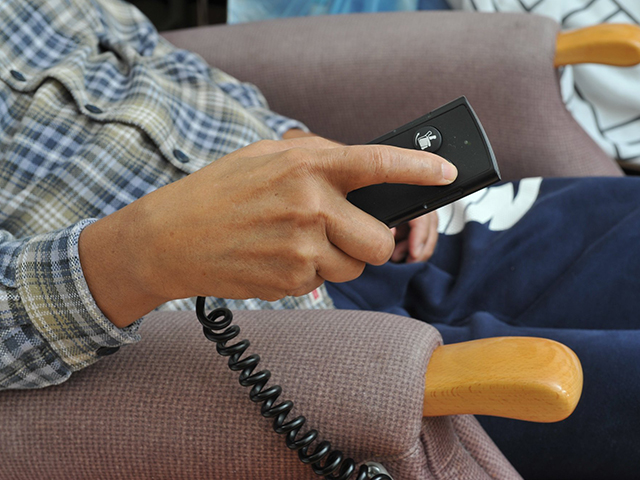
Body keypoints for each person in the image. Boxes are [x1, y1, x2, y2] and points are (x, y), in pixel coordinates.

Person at [1, 1, 640, 479]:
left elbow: (161, 61)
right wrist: (135, 258)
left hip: (384, 227)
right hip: (260, 341)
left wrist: (292, 142)